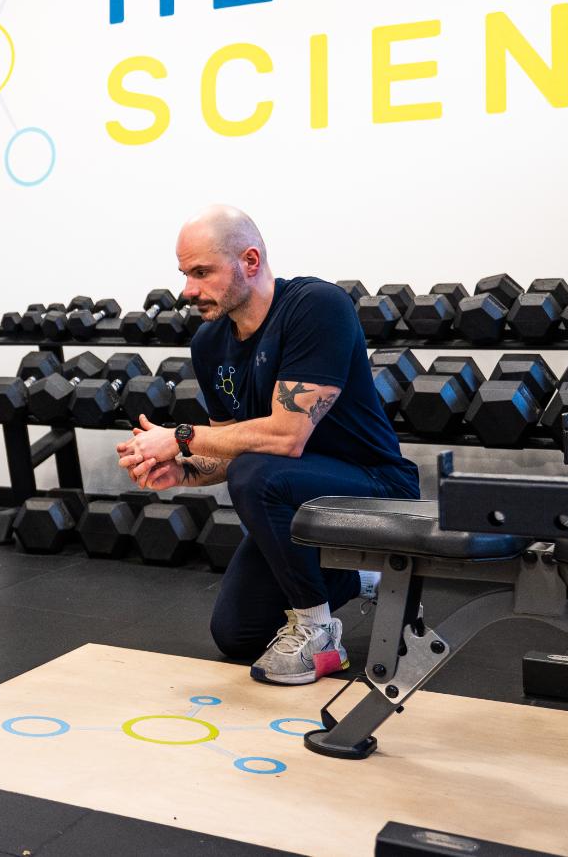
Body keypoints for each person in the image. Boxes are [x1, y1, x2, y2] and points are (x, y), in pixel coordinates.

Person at [117, 205, 419, 685]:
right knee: (237, 633)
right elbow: (227, 451)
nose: (188, 290)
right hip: (292, 494)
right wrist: (186, 470)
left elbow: (285, 435)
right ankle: (371, 577)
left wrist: (178, 437)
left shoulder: (316, 307)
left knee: (256, 472)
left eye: (201, 273)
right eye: (184, 274)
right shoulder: (209, 344)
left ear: (250, 261)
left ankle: (318, 629)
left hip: (376, 487)